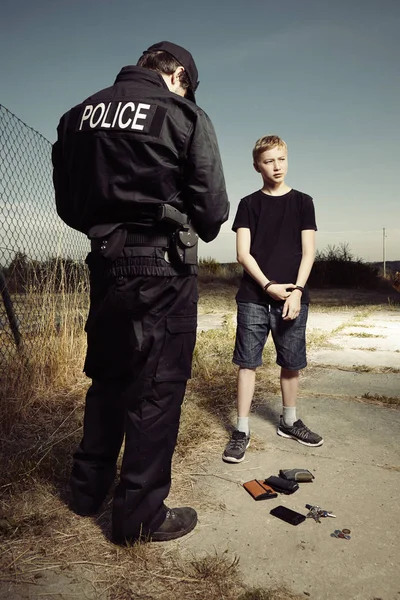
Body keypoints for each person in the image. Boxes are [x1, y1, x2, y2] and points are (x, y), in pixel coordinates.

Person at [52, 41, 229, 542]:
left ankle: (86, 491)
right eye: (188, 85)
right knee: (156, 390)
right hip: (163, 268)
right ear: (176, 75)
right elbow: (214, 214)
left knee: (107, 379)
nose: (188, 92)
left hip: (105, 265)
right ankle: (139, 517)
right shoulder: (183, 116)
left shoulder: (76, 116)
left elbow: (69, 206)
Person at [222, 134, 322, 464]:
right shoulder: (249, 204)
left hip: (292, 297)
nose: (276, 166)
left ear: (287, 160)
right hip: (254, 296)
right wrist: (268, 286)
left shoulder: (303, 202)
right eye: (269, 161)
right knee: (247, 363)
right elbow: (242, 254)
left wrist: (295, 292)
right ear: (257, 166)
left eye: (281, 159)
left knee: (292, 362)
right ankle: (241, 430)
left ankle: (289, 421)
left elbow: (309, 253)